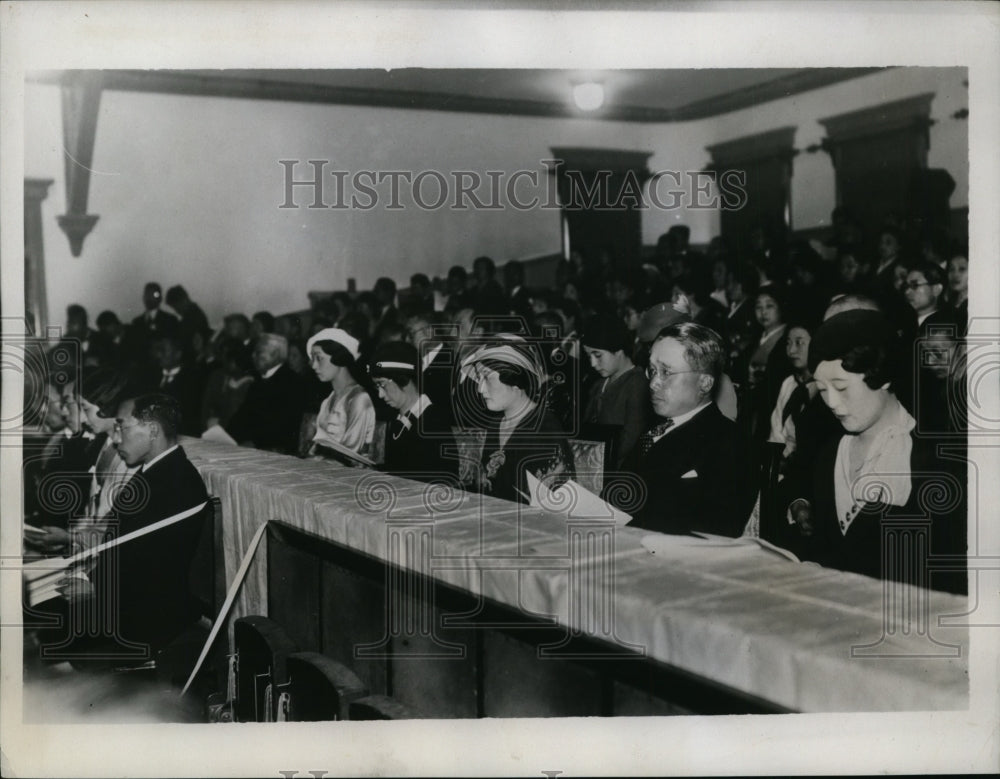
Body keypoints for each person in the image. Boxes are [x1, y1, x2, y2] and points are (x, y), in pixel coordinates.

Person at [783, 310, 966, 594]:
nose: (832, 402)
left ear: (882, 378)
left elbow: (951, 578)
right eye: (822, 389)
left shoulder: (935, 460)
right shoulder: (830, 454)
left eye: (842, 388)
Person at [31, 394, 210, 665]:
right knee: (31, 611)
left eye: (122, 427)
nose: (116, 438)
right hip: (128, 597)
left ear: (152, 431)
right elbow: (125, 547)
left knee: (35, 628)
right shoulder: (155, 473)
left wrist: (93, 590)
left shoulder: (174, 482)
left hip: (145, 610)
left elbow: (153, 567)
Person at [620, 322, 756, 536]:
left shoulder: (729, 442)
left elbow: (717, 530)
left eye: (666, 372)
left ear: (704, 383)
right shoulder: (654, 431)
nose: (654, 382)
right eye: (653, 370)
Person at [459, 335, 574, 503]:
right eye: (478, 378)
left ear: (513, 377)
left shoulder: (545, 427)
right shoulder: (495, 424)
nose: (480, 389)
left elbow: (554, 502)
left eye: (486, 377)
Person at [369, 341, 457, 481]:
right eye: (376, 386)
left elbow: (436, 479)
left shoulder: (432, 423)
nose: (380, 394)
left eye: (383, 385)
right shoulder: (398, 419)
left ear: (404, 380)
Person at [580, 313, 651, 469]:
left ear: (618, 350)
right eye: (588, 356)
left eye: (598, 355)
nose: (592, 363)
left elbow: (630, 441)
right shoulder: (599, 384)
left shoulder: (637, 384)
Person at [224, 334, 305, 454]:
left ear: (276, 354)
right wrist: (224, 435)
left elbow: (284, 425)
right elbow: (242, 416)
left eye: (258, 352)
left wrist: (255, 442)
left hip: (276, 452)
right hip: (252, 447)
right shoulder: (258, 382)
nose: (253, 356)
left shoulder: (292, 382)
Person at [306, 328, 376, 460]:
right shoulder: (327, 401)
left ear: (339, 358)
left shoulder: (360, 399)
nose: (314, 365)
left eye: (319, 358)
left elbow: (351, 454)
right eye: (312, 359)